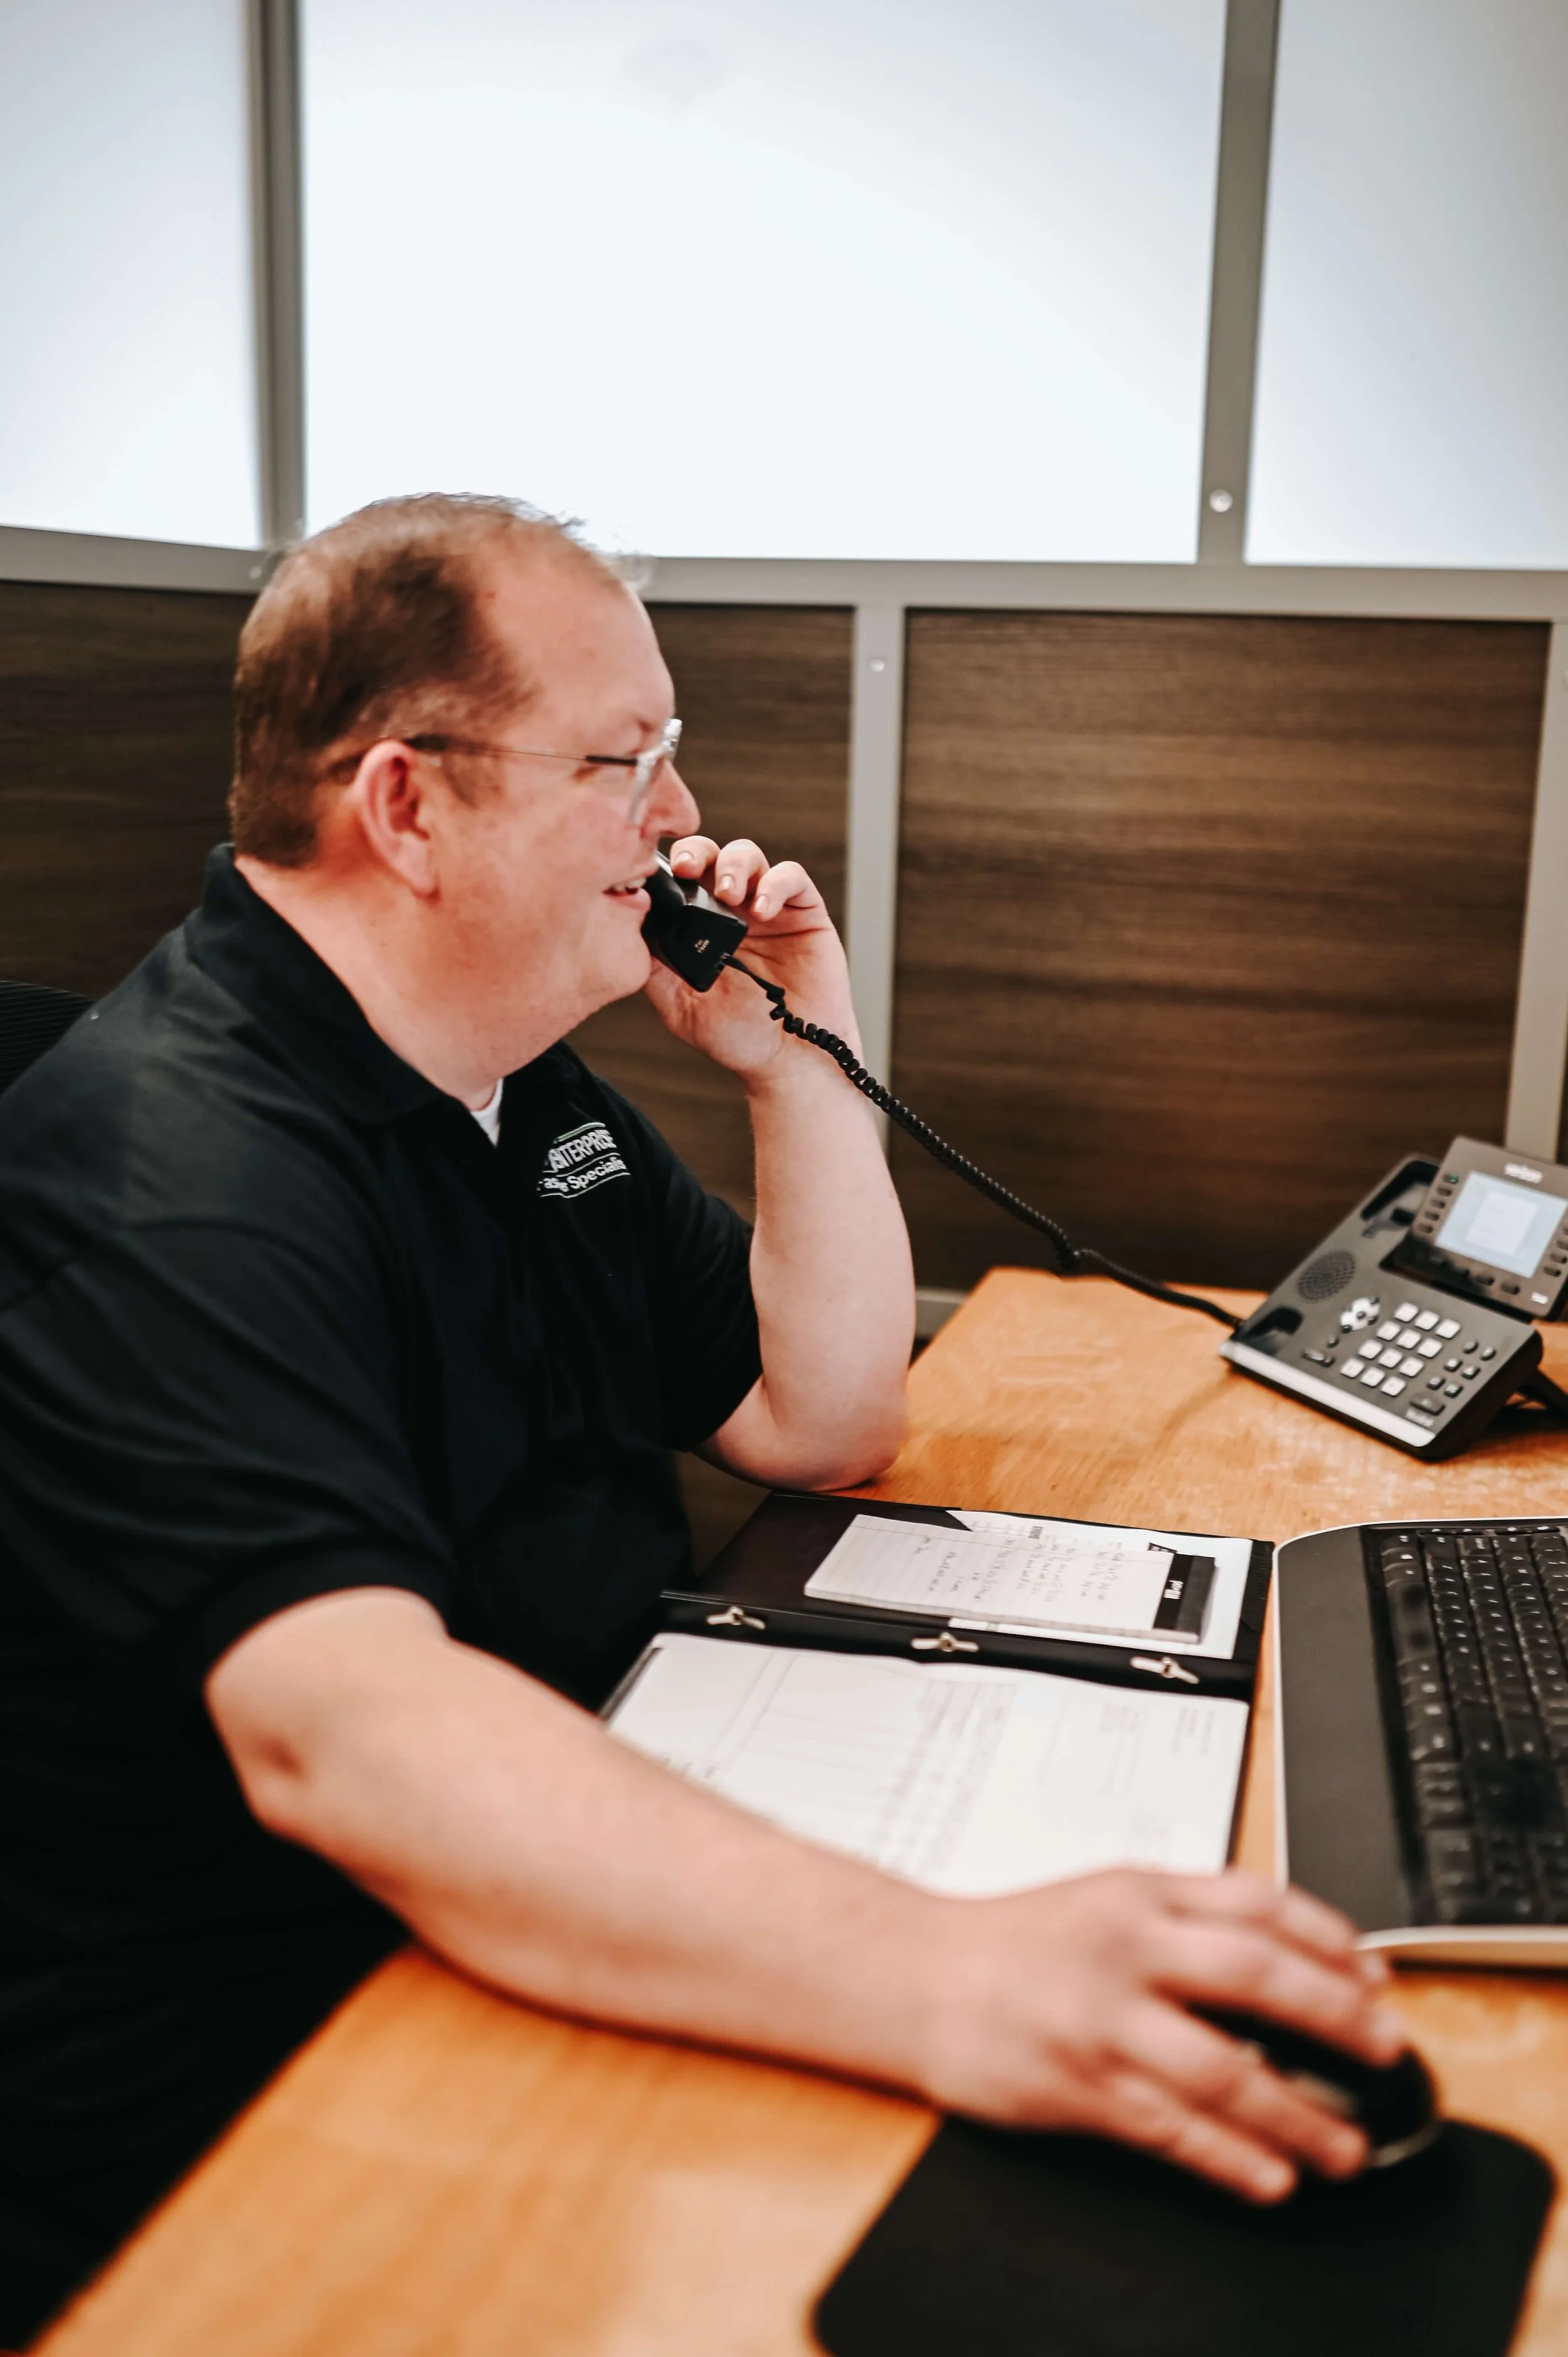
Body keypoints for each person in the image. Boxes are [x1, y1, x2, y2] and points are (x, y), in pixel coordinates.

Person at [0, 495, 1396, 2336]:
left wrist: (789, 1058)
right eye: (623, 759)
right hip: (290, 2064)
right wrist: (948, 1972)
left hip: (590, 1848)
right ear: (407, 806)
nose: (679, 819)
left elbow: (821, 1419)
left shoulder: (509, 1087)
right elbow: (352, 1740)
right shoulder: (171, 1177)